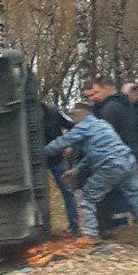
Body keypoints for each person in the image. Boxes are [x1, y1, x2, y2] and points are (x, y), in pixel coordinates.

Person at [44, 103, 138, 243]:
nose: (72, 119)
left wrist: (37, 153)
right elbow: (96, 153)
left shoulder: (83, 126)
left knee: (88, 198)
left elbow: (61, 143)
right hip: (128, 162)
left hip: (110, 166)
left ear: (81, 115)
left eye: (73, 115)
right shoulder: (102, 124)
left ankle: (90, 237)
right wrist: (76, 169)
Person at [82, 76, 138, 231]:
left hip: (117, 157)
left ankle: (115, 227)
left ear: (107, 88)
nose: (92, 98)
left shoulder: (109, 109)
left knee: (113, 193)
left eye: (95, 93)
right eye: (88, 96)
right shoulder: (122, 104)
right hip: (129, 154)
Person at [42, 101, 81, 235]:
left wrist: (70, 145)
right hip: (37, 163)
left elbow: (72, 127)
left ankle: (74, 227)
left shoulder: (53, 112)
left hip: (57, 158)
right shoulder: (24, 116)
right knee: (41, 195)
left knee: (68, 192)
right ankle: (45, 230)